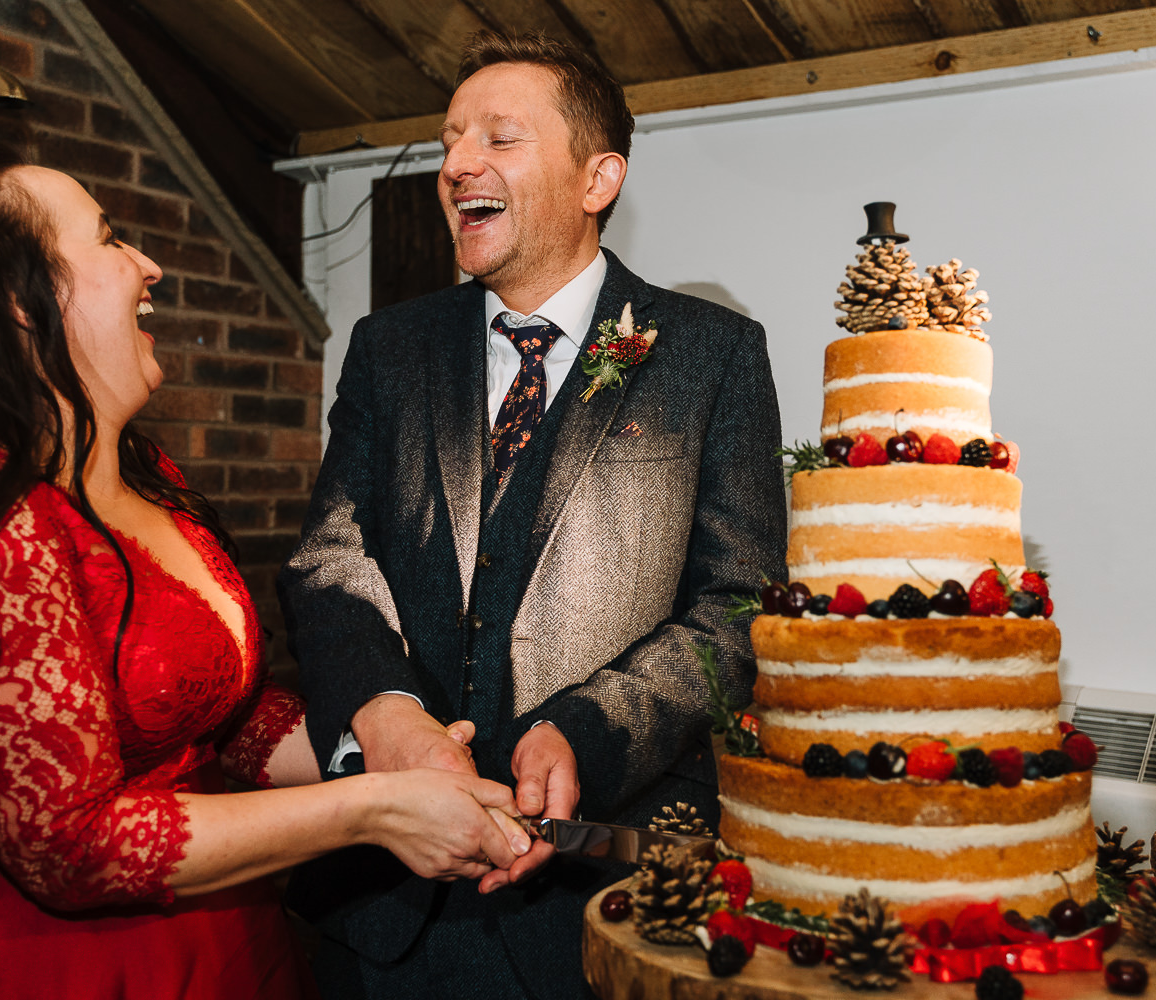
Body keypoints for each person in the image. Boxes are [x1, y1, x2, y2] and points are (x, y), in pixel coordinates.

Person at [0, 139, 531, 1000]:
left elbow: (229, 720)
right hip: (40, 962)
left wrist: (390, 759)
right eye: (107, 240)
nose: (148, 267)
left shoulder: (145, 470)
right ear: (20, 302)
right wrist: (373, 812)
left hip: (222, 934)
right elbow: (72, 848)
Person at [279, 30, 787, 1000]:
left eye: (499, 139)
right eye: (450, 140)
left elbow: (736, 609)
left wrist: (590, 732)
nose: (458, 163)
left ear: (598, 178)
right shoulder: (389, 347)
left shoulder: (709, 354)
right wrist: (384, 716)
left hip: (600, 901)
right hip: (381, 907)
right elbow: (329, 557)